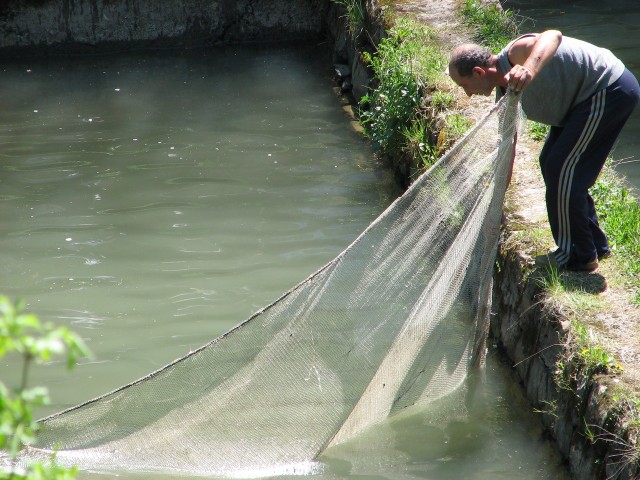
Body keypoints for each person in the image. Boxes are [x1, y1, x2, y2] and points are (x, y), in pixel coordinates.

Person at [447, 30, 640, 272]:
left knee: (561, 168)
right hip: (580, 104)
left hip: (607, 88)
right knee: (551, 160)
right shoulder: (506, 99)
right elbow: (507, 151)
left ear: (478, 72)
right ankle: (594, 245)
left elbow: (552, 36)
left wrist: (528, 69)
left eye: (464, 85)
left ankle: (579, 256)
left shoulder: (516, 53)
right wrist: (496, 204)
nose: (467, 94)